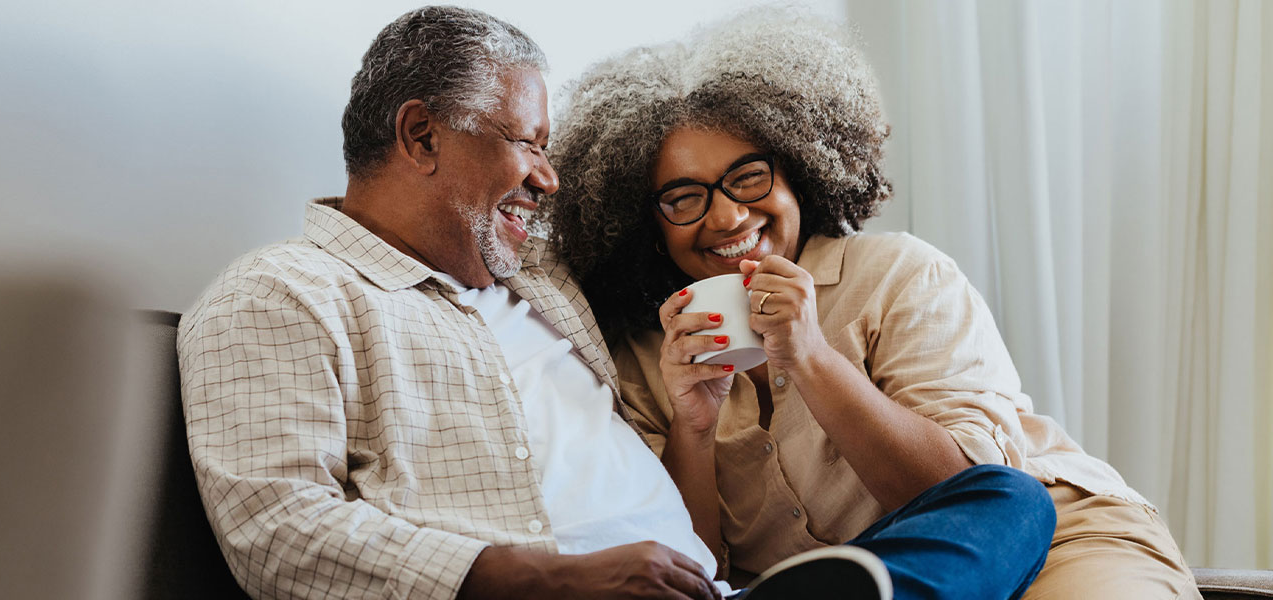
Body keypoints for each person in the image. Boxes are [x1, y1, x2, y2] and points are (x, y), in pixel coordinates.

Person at [177, 6, 1052, 600]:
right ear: (420, 136)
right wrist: (550, 580)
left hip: (713, 590)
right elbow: (276, 531)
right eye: (528, 143)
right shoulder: (285, 295)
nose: (549, 178)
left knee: (1011, 503)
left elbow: (673, 513)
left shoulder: (550, 292)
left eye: (553, 149)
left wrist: (696, 418)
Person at [545, 7, 1200, 600]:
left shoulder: (897, 275)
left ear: (798, 171)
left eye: (749, 176)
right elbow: (697, 567)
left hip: (1051, 540)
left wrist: (809, 356)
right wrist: (692, 427)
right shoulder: (644, 356)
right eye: (684, 197)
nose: (727, 214)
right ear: (645, 222)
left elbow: (966, 499)